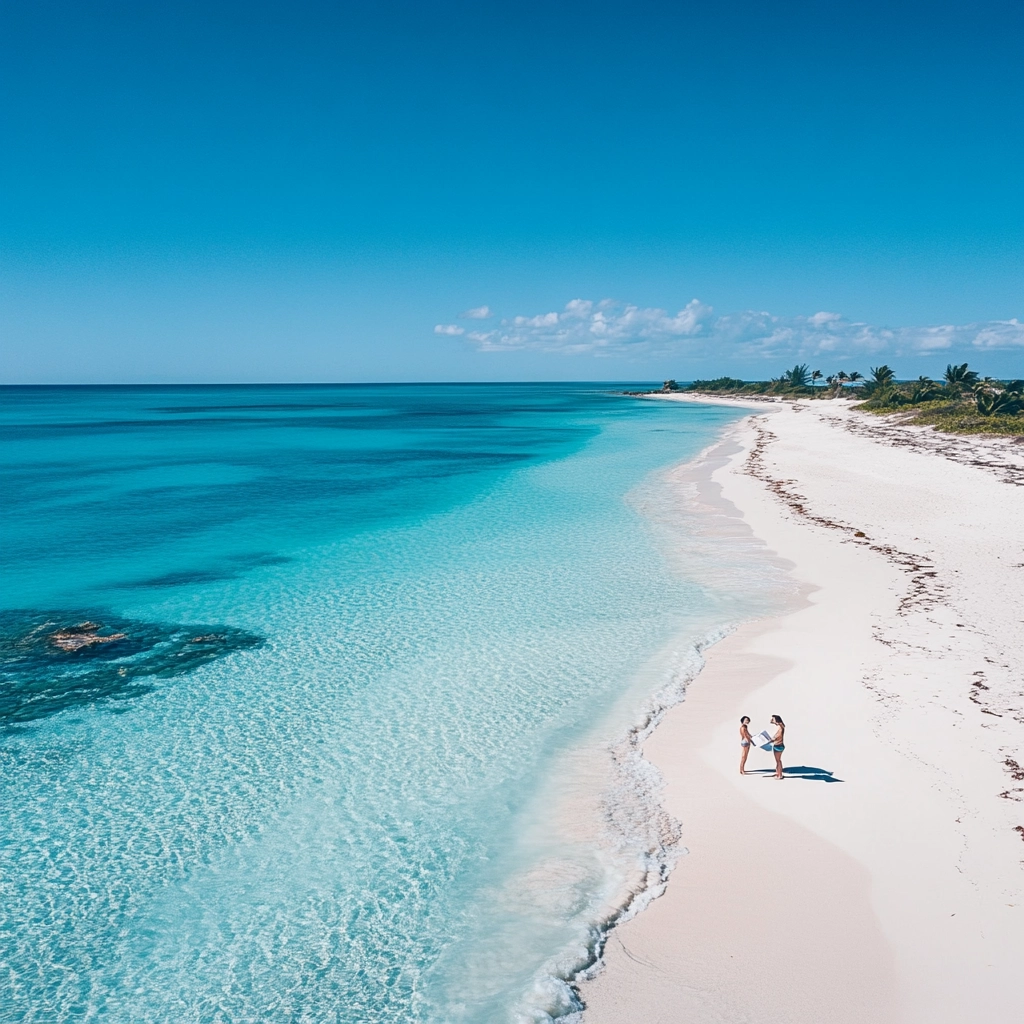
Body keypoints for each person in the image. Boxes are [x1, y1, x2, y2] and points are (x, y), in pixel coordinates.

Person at [770, 715, 786, 779]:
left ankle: (780, 775)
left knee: (778, 761)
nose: (772, 720)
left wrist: (772, 740)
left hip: (778, 745)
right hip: (779, 745)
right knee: (778, 760)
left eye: (773, 719)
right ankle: (778, 773)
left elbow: (778, 736)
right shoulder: (781, 726)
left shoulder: (780, 727)